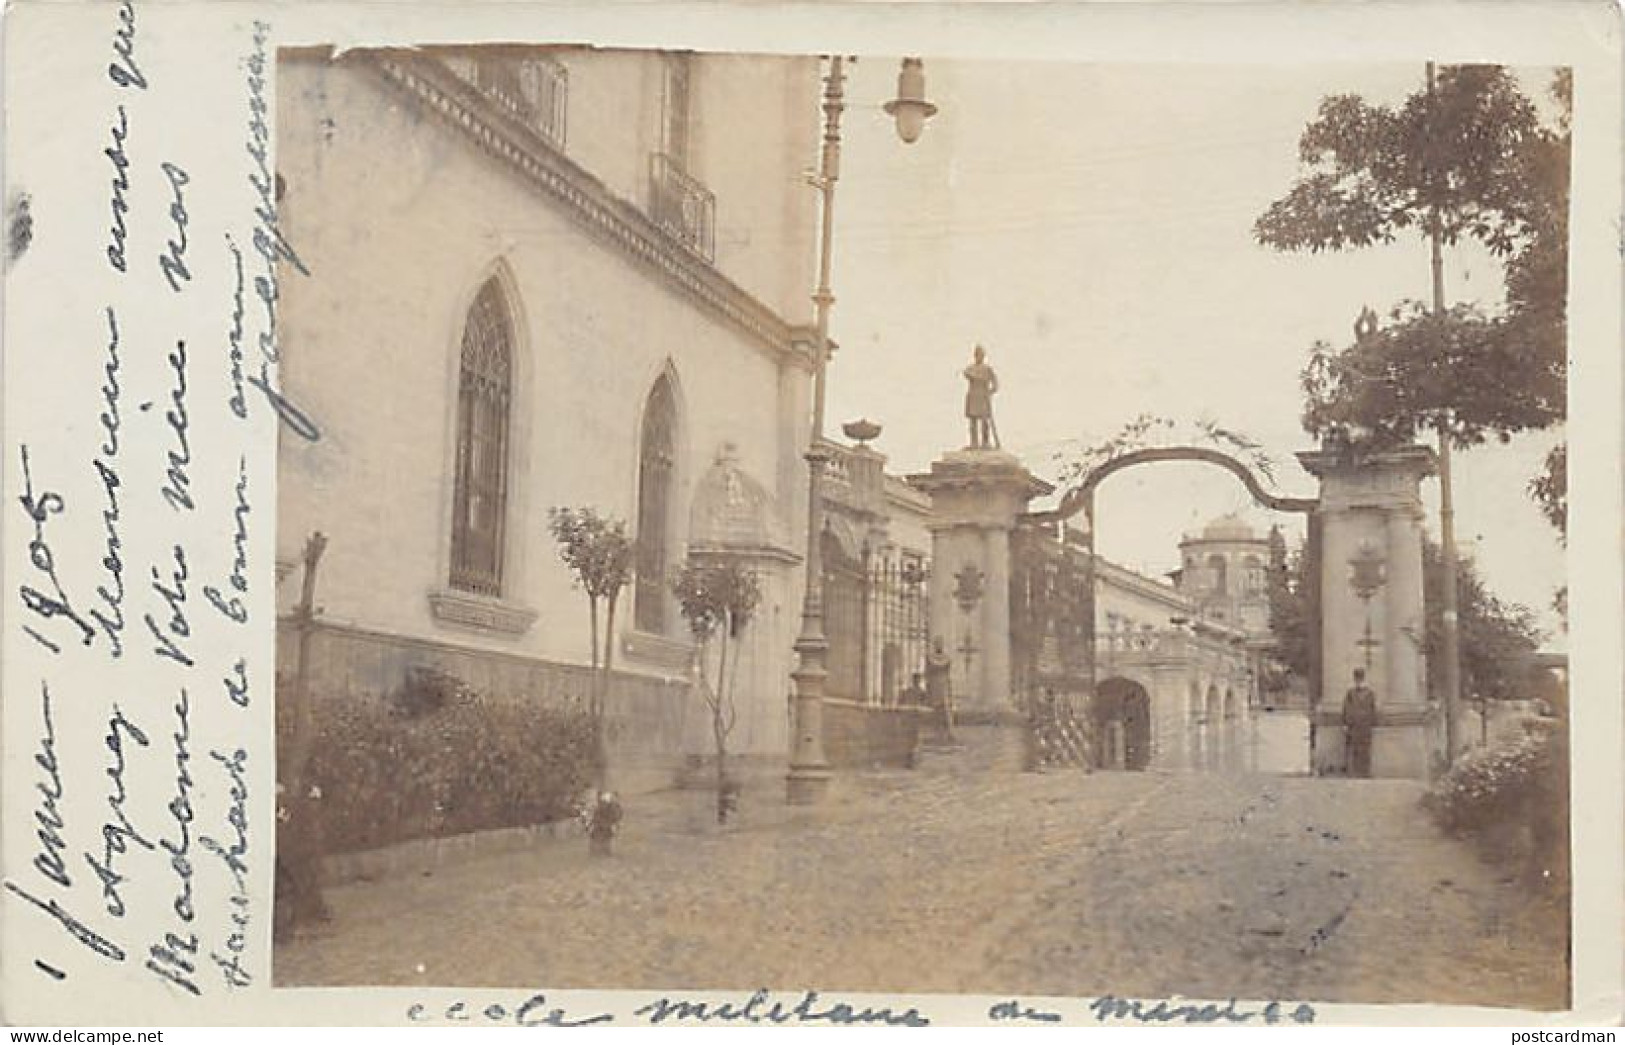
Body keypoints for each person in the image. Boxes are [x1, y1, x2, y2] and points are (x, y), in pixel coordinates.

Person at [963, 344, 999, 449]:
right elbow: (967, 374)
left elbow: (995, 383)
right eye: (977, 355)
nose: (979, 357)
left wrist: (991, 391)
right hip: (973, 397)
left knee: (985, 421)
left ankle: (985, 442)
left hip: (983, 397)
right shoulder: (970, 368)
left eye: (981, 355)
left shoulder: (987, 369)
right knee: (973, 422)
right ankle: (974, 443)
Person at [1343, 667, 1377, 778]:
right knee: (1354, 748)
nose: (1358, 681)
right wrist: (1346, 723)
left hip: (1365, 725)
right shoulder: (1350, 693)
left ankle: (1365, 771)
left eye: (1360, 678)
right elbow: (1346, 709)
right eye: (1356, 678)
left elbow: (1372, 709)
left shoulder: (1370, 693)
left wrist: (1372, 722)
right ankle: (1354, 771)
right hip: (1353, 725)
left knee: (1365, 749)